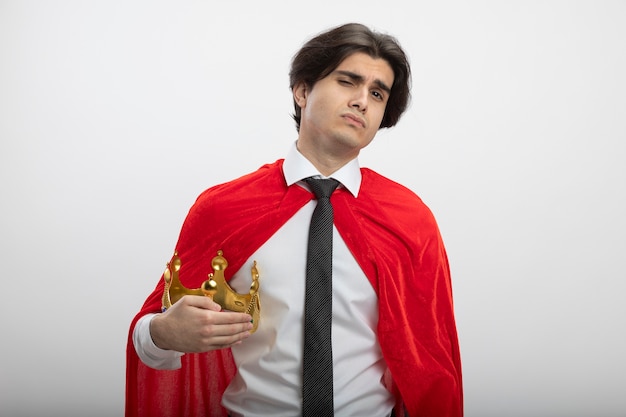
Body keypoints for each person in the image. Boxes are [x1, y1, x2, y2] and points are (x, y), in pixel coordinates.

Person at [126, 22, 463, 417]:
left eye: (377, 93)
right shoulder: (224, 208)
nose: (361, 101)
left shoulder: (409, 219)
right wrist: (164, 333)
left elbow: (434, 358)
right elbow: (150, 326)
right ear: (302, 91)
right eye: (347, 81)